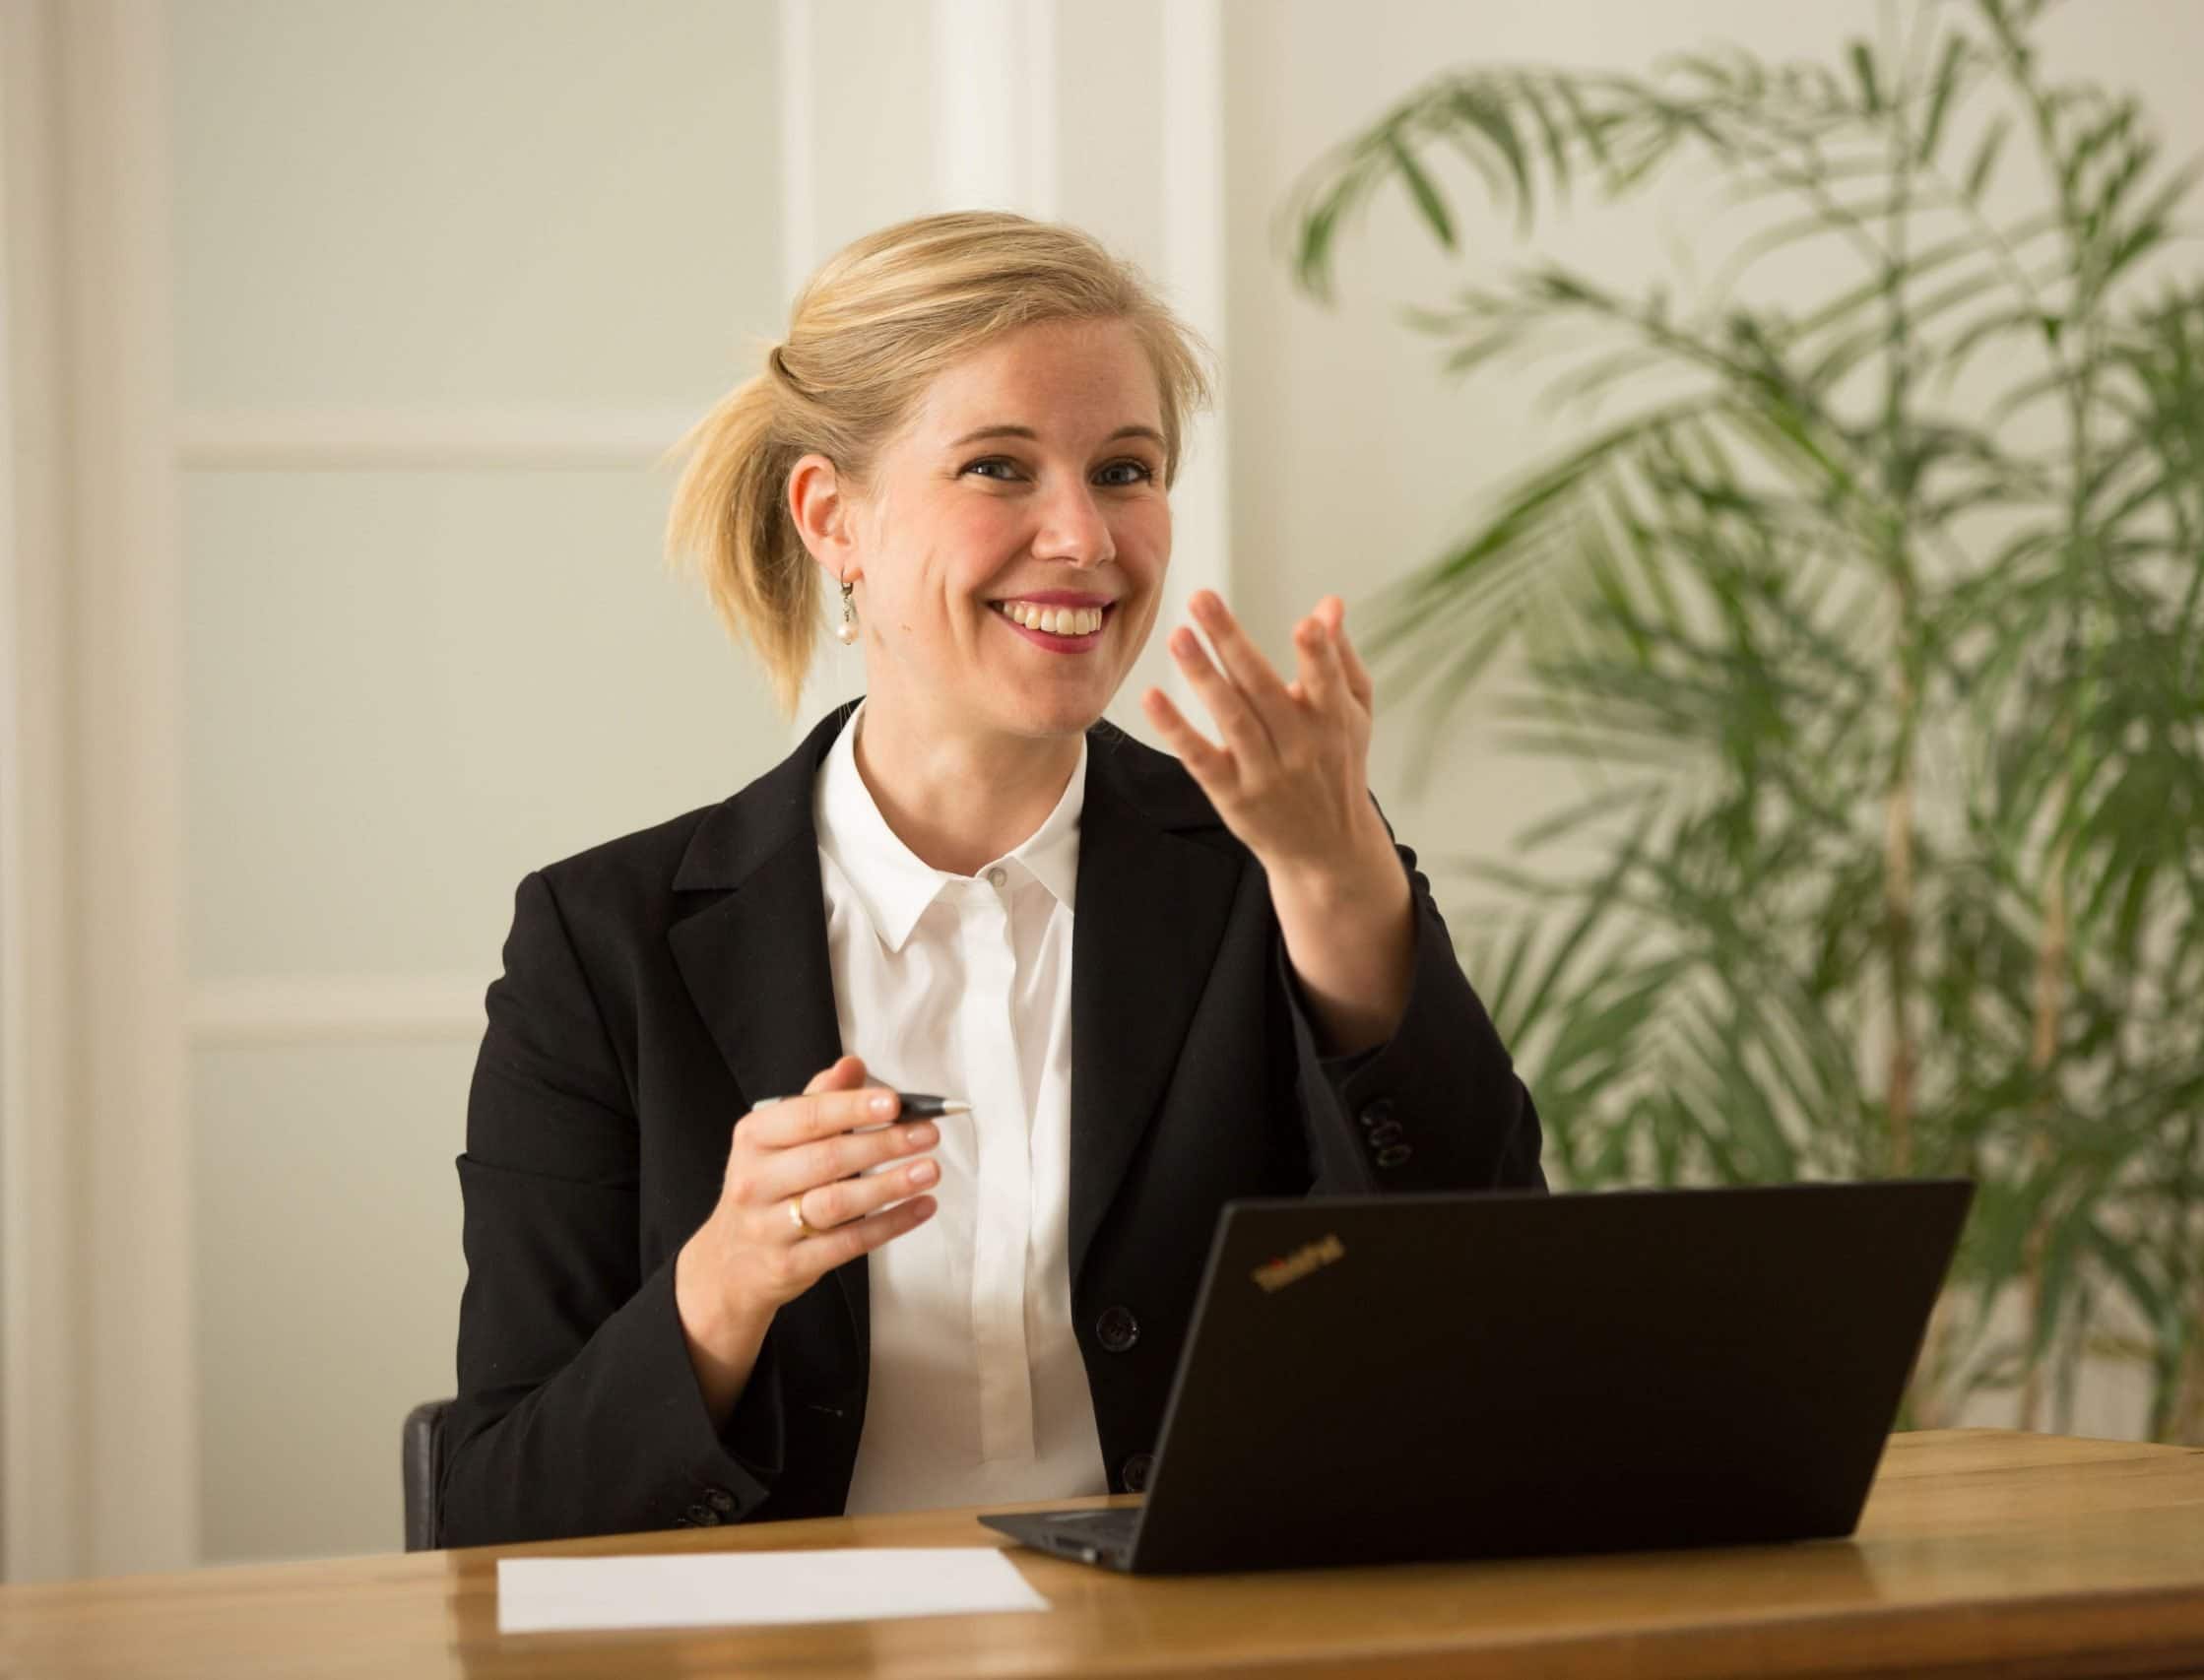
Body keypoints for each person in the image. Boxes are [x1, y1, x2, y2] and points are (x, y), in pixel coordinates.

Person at [438, 211, 1547, 1547]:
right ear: (832, 515)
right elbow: (492, 1514)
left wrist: (1338, 884)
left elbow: (1484, 1325)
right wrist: (724, 1279)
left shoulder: (1286, 859)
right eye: (999, 467)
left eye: (1125, 469)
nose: (1083, 536)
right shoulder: (599, 943)